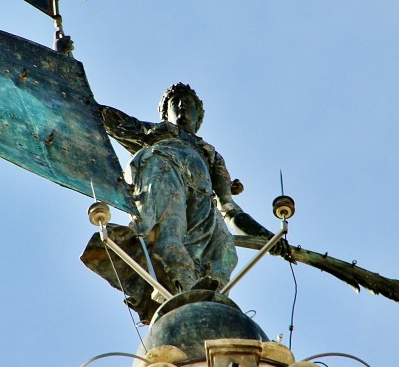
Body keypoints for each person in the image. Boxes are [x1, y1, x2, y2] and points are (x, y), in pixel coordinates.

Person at [96, 83, 291, 298]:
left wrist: (267, 237)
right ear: (165, 114)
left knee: (226, 253)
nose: (181, 106)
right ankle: (178, 290)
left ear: (199, 116)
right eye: (174, 102)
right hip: (164, 170)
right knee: (167, 234)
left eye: (188, 103)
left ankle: (212, 300)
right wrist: (78, 94)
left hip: (203, 198)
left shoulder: (212, 155)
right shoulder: (159, 131)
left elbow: (229, 207)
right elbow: (111, 120)